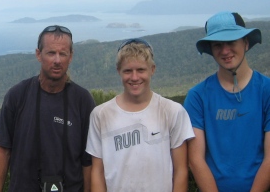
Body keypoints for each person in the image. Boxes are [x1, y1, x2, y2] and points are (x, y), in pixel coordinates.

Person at [0, 25, 96, 192]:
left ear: (71, 57)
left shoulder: (83, 101)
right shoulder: (17, 95)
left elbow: (88, 160)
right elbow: (3, 150)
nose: (57, 60)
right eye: (51, 53)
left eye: (63, 54)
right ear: (38, 54)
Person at [85, 38, 194, 191]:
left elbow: (181, 170)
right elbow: (97, 171)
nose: (134, 77)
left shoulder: (172, 111)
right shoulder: (101, 115)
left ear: (152, 69)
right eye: (127, 71)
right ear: (119, 71)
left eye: (141, 70)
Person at [184, 11, 270, 191]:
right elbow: (195, 159)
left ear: (246, 43)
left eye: (231, 42)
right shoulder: (198, 96)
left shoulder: (266, 91)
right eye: (217, 45)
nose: (225, 51)